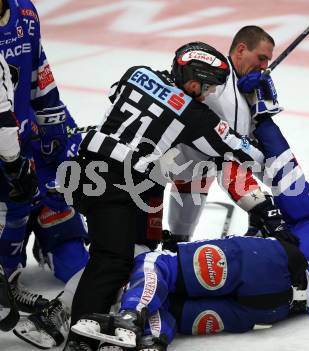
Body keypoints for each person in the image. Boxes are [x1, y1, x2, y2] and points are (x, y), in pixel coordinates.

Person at [61, 41, 290, 350]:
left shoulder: (136, 72)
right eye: (209, 89)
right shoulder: (195, 115)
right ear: (194, 83)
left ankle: (90, 320)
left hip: (90, 171)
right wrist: (261, 110)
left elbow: (120, 100)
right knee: (113, 260)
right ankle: (77, 336)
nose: (210, 95)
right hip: (117, 183)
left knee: (140, 253)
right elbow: (246, 152)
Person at [0, 0, 88, 333]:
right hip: (3, 164)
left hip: (34, 153)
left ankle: (48, 238)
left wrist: (61, 132)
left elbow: (39, 74)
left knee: (75, 260)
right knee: (5, 273)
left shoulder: (24, 11)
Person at [166, 25, 276, 243]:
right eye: (261, 58)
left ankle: (178, 243)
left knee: (179, 238)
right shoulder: (213, 74)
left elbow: (252, 141)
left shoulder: (248, 86)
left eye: (268, 61)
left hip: (197, 165)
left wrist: (262, 101)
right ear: (241, 49)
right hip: (164, 160)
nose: (265, 66)